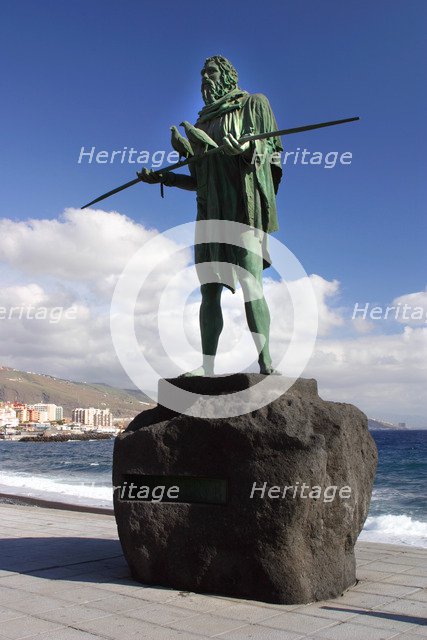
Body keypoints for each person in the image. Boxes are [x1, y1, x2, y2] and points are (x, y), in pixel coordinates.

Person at [138, 55, 283, 376]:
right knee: (208, 290)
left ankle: (266, 362)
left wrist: (245, 151)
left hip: (243, 209)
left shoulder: (253, 104)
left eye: (212, 72)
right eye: (202, 73)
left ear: (228, 76)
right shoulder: (201, 125)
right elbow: (200, 180)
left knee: (251, 282)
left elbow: (271, 151)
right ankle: (207, 368)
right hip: (210, 214)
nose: (205, 78)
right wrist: (166, 178)